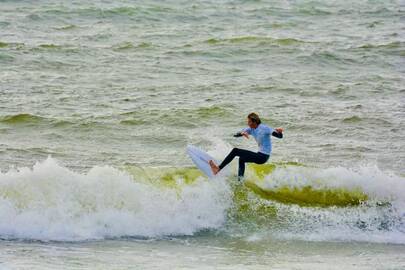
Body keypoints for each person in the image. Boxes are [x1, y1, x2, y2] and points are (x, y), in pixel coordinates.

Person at [209, 113, 283, 181]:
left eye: (249, 121)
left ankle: (218, 168)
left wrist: (280, 132)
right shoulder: (251, 129)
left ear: (254, 122)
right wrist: (242, 133)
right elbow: (236, 135)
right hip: (259, 155)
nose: (248, 123)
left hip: (263, 156)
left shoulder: (264, 128)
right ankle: (240, 180)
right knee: (242, 159)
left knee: (235, 151)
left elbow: (279, 136)